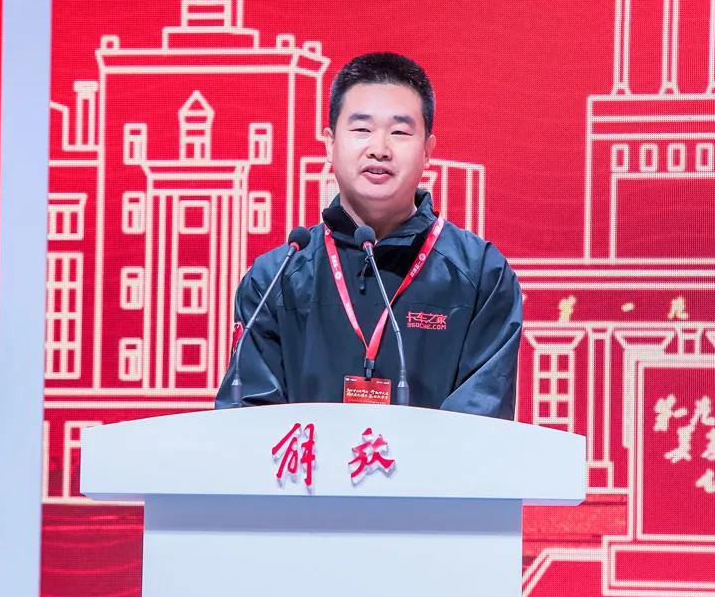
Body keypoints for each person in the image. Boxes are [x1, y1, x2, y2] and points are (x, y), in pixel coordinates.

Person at [214, 52, 522, 419]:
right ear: (329, 143)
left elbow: (480, 426)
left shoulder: (482, 276)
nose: (379, 149)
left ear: (428, 151)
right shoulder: (275, 279)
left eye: (400, 132)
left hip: (437, 462)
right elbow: (249, 422)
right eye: (362, 129)